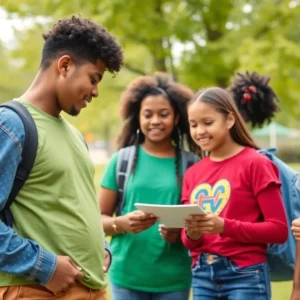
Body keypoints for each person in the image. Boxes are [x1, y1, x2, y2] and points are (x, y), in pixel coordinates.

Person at [0, 16, 123, 300]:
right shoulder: (11, 125)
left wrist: (99, 250)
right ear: (65, 65)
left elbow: (71, 206)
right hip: (37, 290)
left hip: (93, 288)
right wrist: (44, 266)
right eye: (93, 79)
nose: (95, 92)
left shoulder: (74, 135)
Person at [181, 87, 288, 300]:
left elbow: (278, 230)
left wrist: (224, 226)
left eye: (208, 123)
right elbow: (188, 241)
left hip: (245, 274)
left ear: (229, 120)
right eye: (193, 125)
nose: (199, 131)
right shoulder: (192, 174)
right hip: (202, 274)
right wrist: (192, 232)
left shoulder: (256, 164)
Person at [99, 72, 199, 300]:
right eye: (148, 114)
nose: (155, 121)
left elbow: (200, 221)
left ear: (176, 118)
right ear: (138, 118)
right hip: (126, 277)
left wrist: (181, 232)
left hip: (175, 279)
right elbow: (98, 220)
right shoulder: (121, 161)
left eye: (164, 114)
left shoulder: (192, 164)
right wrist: (120, 223)